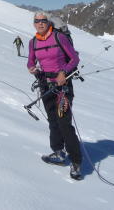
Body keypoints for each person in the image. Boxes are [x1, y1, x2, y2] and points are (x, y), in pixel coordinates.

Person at [27, 12, 83, 180]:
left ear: (48, 22)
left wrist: (63, 72)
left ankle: (76, 161)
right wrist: (31, 68)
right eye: (37, 21)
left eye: (43, 21)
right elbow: (30, 61)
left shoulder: (59, 38)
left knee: (64, 123)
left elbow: (74, 59)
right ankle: (58, 152)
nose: (40, 23)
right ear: (34, 23)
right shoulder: (33, 42)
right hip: (45, 85)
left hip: (62, 86)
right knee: (53, 121)